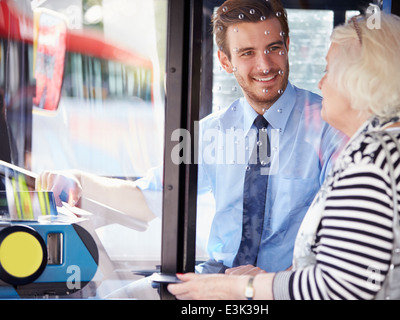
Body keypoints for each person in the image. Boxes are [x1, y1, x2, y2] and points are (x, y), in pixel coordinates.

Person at [36, 0, 345, 274]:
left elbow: (342, 233)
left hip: (289, 285)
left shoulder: (330, 124)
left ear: (287, 45)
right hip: (216, 279)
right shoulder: (210, 132)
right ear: (226, 62)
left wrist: (273, 284)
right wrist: (80, 180)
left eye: (273, 48)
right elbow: (152, 197)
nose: (264, 65)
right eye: (247, 53)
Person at [167, 11, 400, 299]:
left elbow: (338, 286)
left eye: (328, 71)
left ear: (360, 79)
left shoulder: (373, 162)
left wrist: (241, 290)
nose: (320, 84)